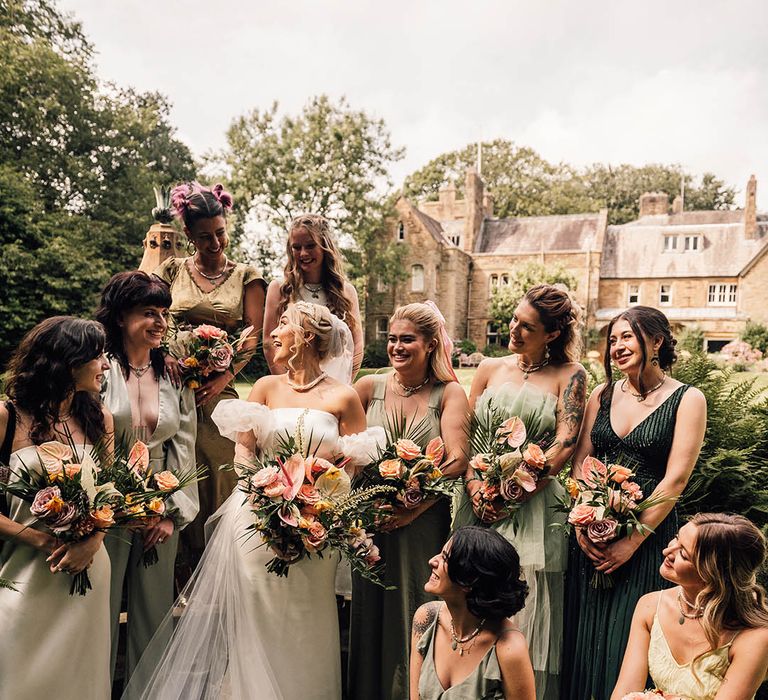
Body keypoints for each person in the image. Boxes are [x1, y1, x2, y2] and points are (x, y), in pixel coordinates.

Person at [122, 301, 373, 700]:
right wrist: (268, 501)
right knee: (258, 614)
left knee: (309, 615)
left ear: (307, 335)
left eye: (284, 324)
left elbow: (353, 467)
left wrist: (316, 504)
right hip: (258, 520)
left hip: (317, 527)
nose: (272, 332)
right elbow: (243, 455)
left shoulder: (344, 397)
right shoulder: (265, 388)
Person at [561, 306, 707, 700]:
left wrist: (632, 542)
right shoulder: (602, 394)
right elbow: (580, 462)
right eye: (612, 339)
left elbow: (675, 479)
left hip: (647, 540)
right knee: (582, 633)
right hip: (589, 540)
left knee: (628, 634)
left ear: (656, 341)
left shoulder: (688, 399)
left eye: (627, 337)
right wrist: (582, 523)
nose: (617, 347)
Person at [453, 284, 587, 700]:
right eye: (513, 319)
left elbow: (565, 443)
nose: (513, 330)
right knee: (470, 592)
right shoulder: (490, 367)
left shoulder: (571, 376)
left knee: (522, 605)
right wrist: (476, 486)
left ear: (551, 334)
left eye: (526, 326)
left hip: (533, 506)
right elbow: (469, 432)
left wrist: (512, 492)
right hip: (478, 501)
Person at [348, 301, 470, 700]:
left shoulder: (448, 392)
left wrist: (413, 505)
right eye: (393, 339)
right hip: (370, 518)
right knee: (369, 607)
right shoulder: (369, 387)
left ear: (431, 344)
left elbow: (456, 459)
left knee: (415, 605)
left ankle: (412, 692)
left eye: (408, 340)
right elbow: (342, 447)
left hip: (422, 520)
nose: (397, 347)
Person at [0, 317, 113, 700]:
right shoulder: (7, 416)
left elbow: (113, 496)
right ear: (68, 360)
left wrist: (93, 541)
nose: (106, 365)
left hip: (90, 570)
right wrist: (43, 542)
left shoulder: (100, 420)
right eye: (98, 356)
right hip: (26, 569)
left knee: (80, 676)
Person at [95, 271, 199, 687]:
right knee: (97, 607)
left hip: (162, 500)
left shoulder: (175, 374)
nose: (159, 322)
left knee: (154, 613)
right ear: (121, 317)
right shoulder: (99, 368)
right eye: (148, 313)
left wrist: (172, 513)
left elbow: (185, 446)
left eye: (164, 314)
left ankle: (148, 694)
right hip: (103, 499)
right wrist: (101, 504)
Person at [155, 181, 265, 569]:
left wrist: (222, 376)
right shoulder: (172, 270)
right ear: (188, 236)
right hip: (173, 387)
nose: (215, 243)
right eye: (204, 237)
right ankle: (180, 573)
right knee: (180, 473)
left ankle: (221, 570)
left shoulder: (248, 276)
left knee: (221, 475)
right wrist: (169, 356)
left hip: (220, 392)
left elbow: (253, 337)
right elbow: (159, 319)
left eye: (220, 233)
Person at [611, 513, 768, 700]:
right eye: (676, 539)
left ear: (712, 574)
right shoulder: (649, 606)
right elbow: (625, 693)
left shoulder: (756, 636)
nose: (667, 552)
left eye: (683, 554)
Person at [410, 526, 536, 700]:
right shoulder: (426, 617)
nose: (432, 561)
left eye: (445, 558)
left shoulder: (509, 647)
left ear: (468, 580)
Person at [263, 213, 363, 377]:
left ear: (324, 246)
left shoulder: (346, 291)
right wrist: (284, 384)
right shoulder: (278, 288)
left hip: (334, 384)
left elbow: (357, 343)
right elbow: (269, 342)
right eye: (296, 247)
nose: (303, 253)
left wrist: (344, 382)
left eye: (310, 246)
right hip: (291, 383)